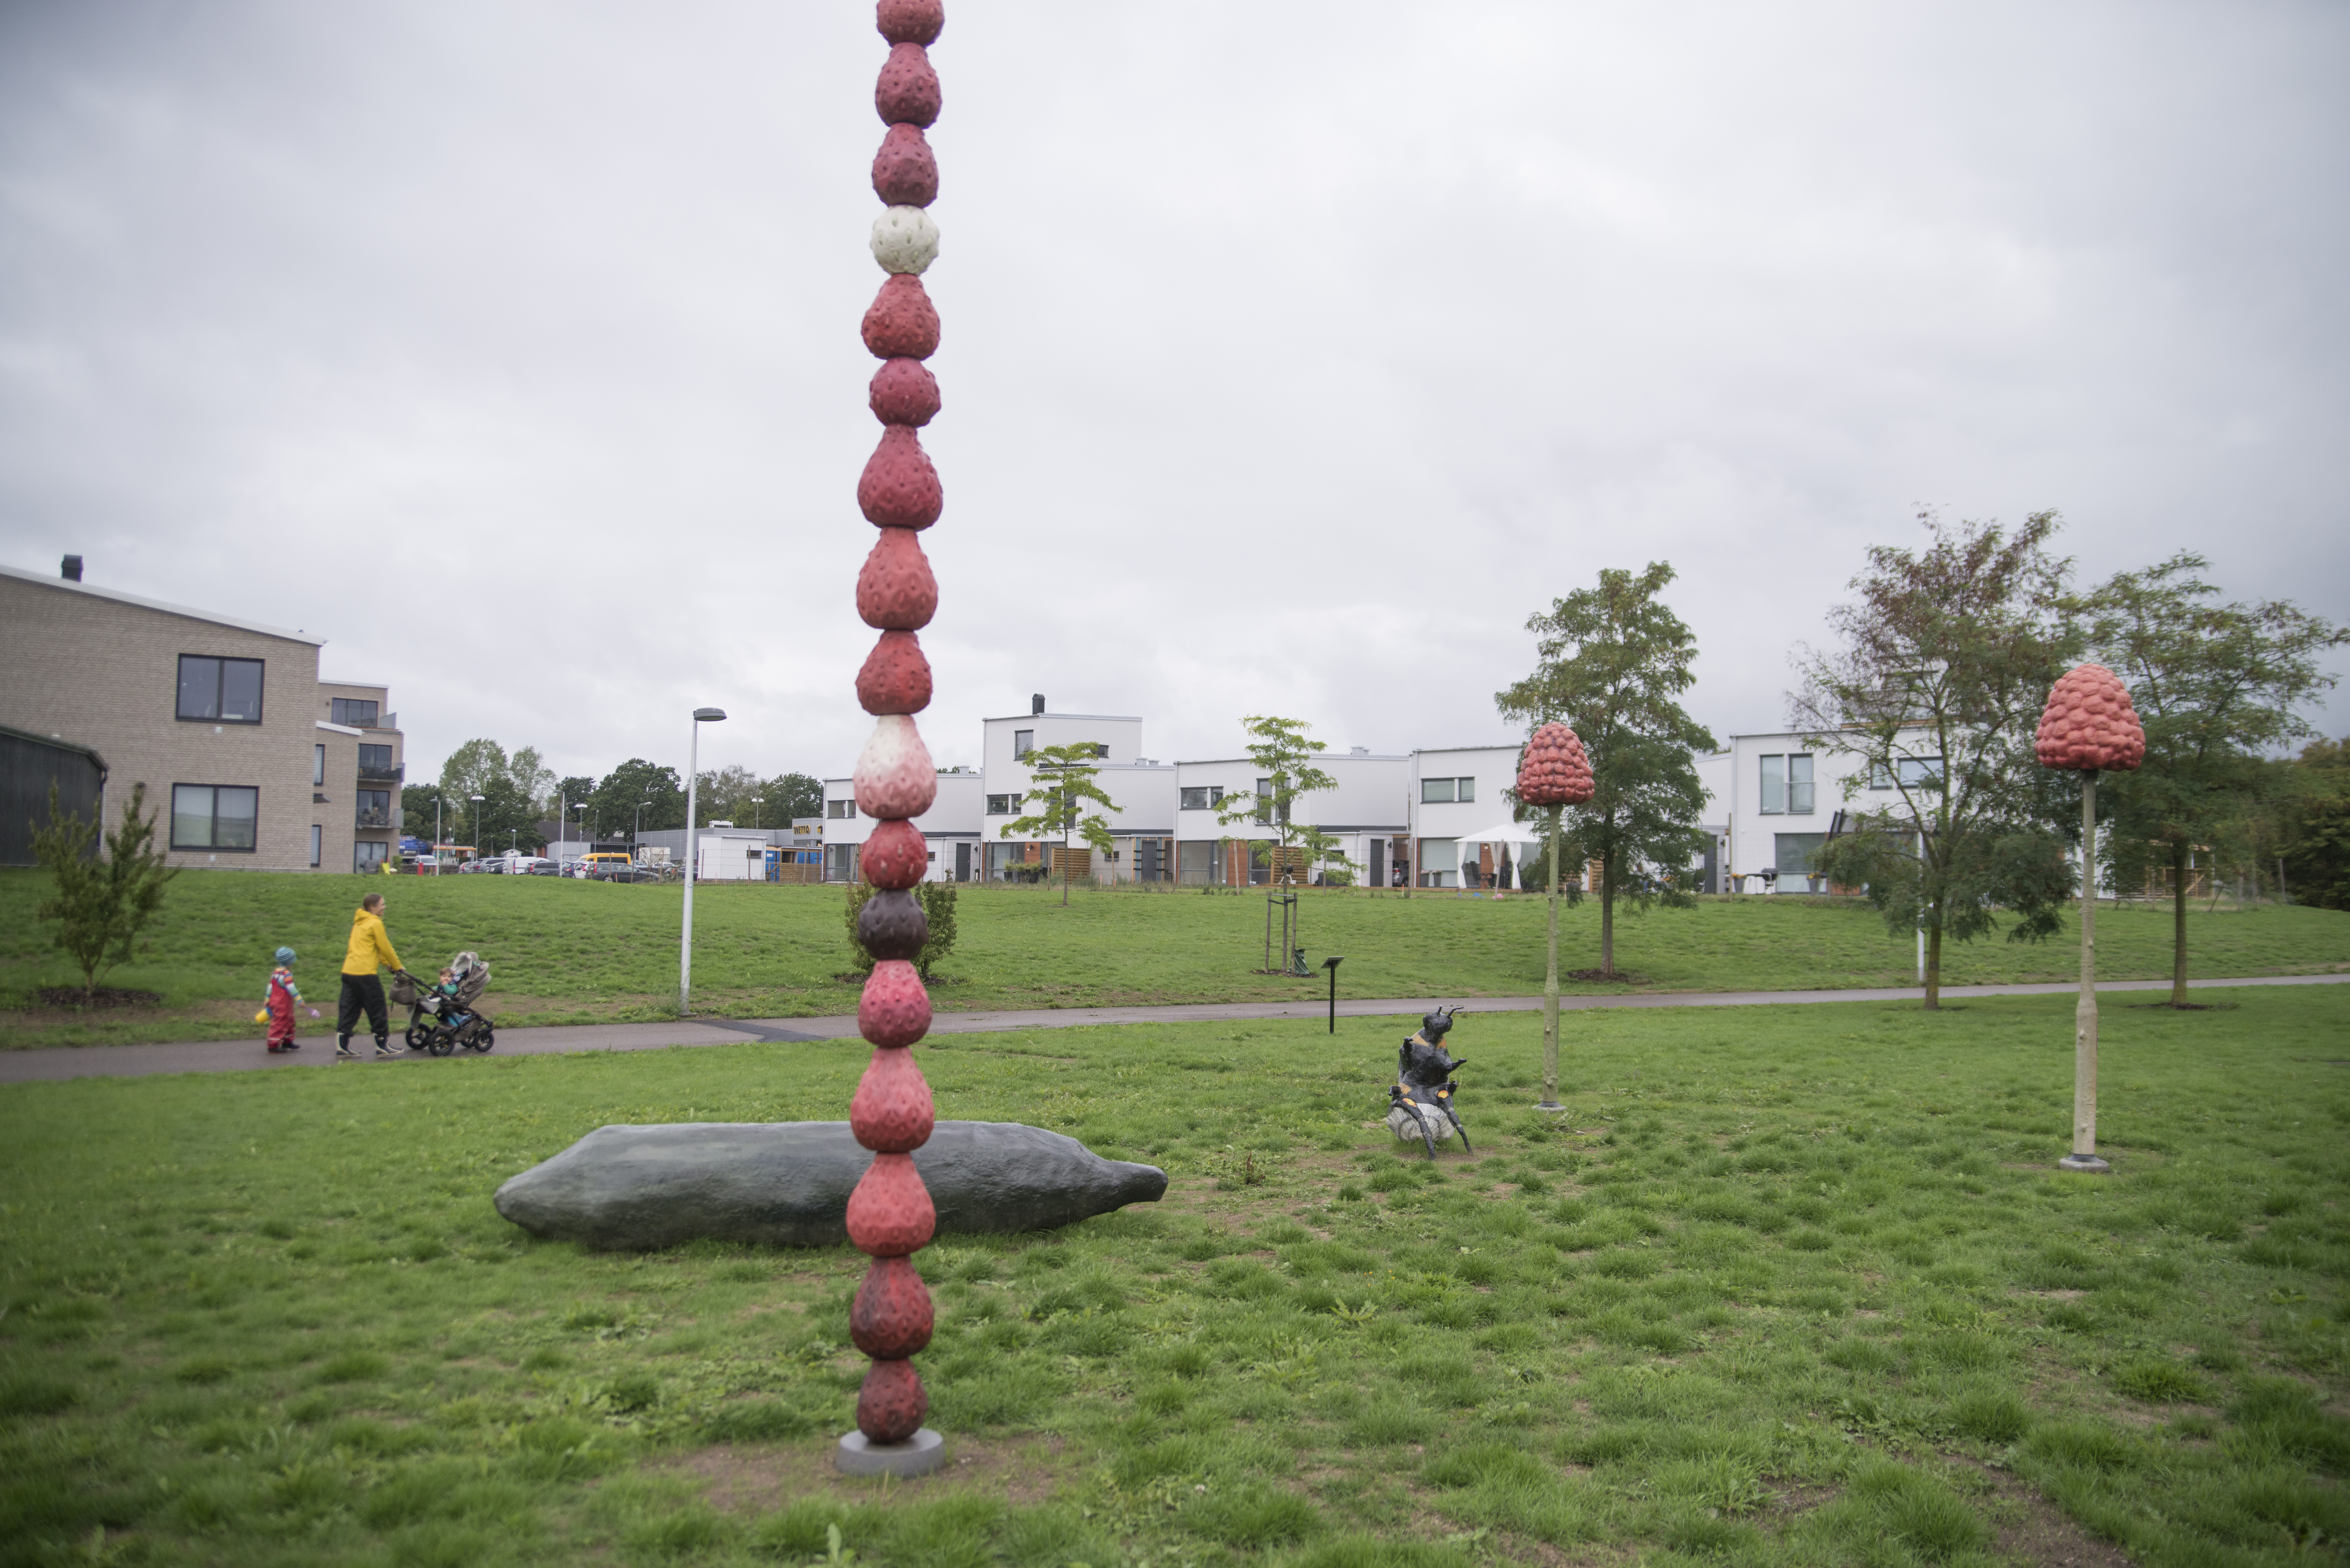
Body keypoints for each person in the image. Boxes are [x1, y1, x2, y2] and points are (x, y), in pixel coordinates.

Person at [337, 892, 405, 1059]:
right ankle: (383, 1046)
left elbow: (372, 948)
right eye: (382, 905)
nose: (385, 907)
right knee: (377, 1008)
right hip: (365, 974)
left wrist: (386, 964)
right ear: (373, 908)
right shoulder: (375, 923)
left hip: (349, 972)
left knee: (349, 1009)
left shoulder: (359, 923)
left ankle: (342, 1047)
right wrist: (398, 967)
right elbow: (386, 947)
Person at [263, 946, 319, 1053]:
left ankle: (287, 1041)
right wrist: (300, 1000)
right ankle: (273, 1045)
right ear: (289, 962)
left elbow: (270, 987)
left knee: (289, 1020)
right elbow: (292, 989)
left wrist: (267, 999)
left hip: (278, 1003)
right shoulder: (286, 974)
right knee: (280, 1022)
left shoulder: (275, 973)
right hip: (282, 1004)